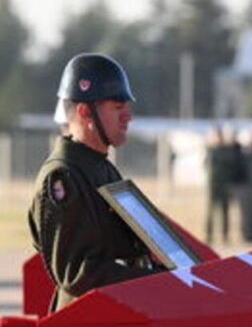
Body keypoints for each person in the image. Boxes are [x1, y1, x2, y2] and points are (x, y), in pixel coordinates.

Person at [29, 53, 165, 312]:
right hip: (85, 326)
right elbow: (76, 274)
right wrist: (154, 282)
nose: (128, 116)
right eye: (118, 107)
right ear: (84, 112)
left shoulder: (100, 167)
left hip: (117, 316)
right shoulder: (63, 177)